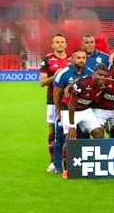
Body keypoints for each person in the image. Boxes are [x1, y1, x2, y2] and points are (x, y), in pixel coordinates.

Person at [51, 49, 88, 172]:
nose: (81, 60)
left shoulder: (89, 72)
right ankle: (57, 166)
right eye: (78, 58)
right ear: (72, 59)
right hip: (66, 110)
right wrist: (58, 111)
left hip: (82, 111)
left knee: (82, 137)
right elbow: (56, 93)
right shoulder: (64, 73)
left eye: (83, 58)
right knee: (62, 138)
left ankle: (78, 164)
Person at [39, 33, 70, 172]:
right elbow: (42, 82)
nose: (60, 44)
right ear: (53, 45)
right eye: (57, 42)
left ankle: (67, 159)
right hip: (52, 100)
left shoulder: (72, 59)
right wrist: (55, 76)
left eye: (62, 42)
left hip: (69, 101)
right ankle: (53, 162)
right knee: (52, 132)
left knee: (68, 130)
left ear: (66, 44)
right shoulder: (47, 60)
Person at [67, 65, 109, 141]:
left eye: (105, 76)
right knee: (70, 139)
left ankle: (97, 152)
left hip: (85, 110)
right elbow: (71, 105)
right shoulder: (82, 83)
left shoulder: (104, 84)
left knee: (99, 135)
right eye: (100, 74)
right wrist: (72, 125)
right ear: (93, 73)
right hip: (70, 110)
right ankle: (65, 152)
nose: (102, 77)